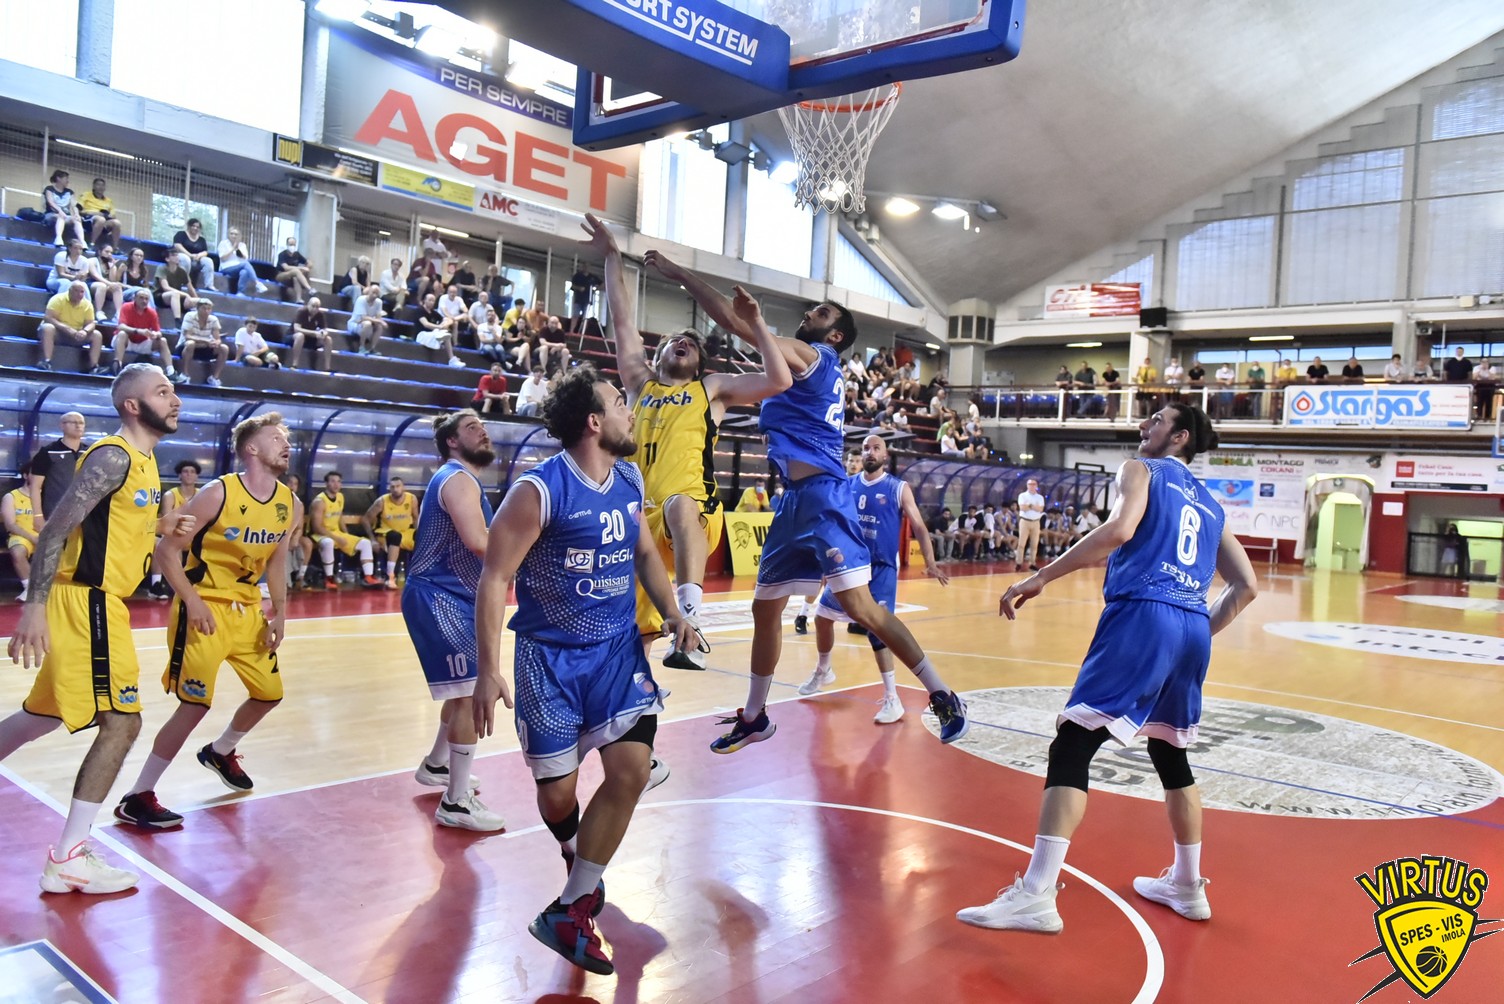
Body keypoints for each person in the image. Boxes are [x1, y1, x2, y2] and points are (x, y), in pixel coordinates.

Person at [640, 252, 970, 751]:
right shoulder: (799, 358)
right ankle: (755, 716)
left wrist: (682, 274)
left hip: (825, 495)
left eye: (821, 312)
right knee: (764, 609)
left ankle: (942, 693)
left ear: (834, 335)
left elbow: (734, 323)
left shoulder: (814, 355)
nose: (810, 313)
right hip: (794, 500)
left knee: (861, 607)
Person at [957, 403, 1258, 934]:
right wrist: (1188, 635)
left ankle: (1036, 894)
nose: (1144, 426)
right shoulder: (1213, 505)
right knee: (1170, 752)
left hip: (1143, 614)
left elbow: (1120, 529)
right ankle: (1187, 885)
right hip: (1191, 627)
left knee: (1073, 743)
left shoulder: (1141, 470)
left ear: (1180, 437)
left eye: (1156, 420)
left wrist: (1041, 576)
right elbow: (1247, 586)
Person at [471, 366, 694, 975]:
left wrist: (673, 612)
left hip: (616, 654)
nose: (630, 410)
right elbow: (494, 577)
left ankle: (570, 907)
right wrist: (488, 670)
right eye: (620, 402)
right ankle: (578, 855)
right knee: (558, 794)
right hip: (549, 660)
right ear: (594, 421)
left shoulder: (629, 478)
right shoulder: (539, 491)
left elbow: (644, 552)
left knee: (632, 769)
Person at [0, 365, 187, 893]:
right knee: (122, 723)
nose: (174, 399)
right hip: (88, 602)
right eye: (162, 392)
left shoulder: (146, 461)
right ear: (133, 405)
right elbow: (56, 528)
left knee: (41, 715)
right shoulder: (113, 456)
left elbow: (114, 526)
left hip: (102, 604)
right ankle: (69, 858)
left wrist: (161, 526)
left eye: (173, 390)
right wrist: (33, 608)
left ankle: (70, 856)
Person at [582, 212, 791, 670]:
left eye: (691, 344)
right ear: (657, 354)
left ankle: (692, 617)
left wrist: (756, 324)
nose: (682, 342)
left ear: (699, 364)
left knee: (679, 503)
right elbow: (622, 318)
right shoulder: (639, 383)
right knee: (636, 633)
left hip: (694, 514)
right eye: (675, 340)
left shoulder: (710, 389)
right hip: (640, 518)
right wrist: (613, 255)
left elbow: (779, 380)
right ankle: (641, 692)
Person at [114, 413, 300, 829]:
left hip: (249, 612)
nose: (286, 445)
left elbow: (277, 560)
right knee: (195, 704)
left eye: (285, 439)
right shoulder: (218, 493)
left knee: (269, 694)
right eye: (276, 438)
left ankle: (221, 750)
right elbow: (166, 551)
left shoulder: (291, 503)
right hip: (205, 609)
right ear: (251, 448)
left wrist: (280, 612)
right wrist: (193, 601)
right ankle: (138, 795)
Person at [400, 411, 505, 829]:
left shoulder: (462, 479)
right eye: (472, 427)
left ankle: (437, 765)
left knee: (459, 687)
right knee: (468, 693)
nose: (483, 430)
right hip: (437, 596)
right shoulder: (457, 478)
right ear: (452, 442)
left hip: (451, 596)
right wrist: (531, 557)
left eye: (483, 425)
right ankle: (456, 802)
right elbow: (479, 542)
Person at [798, 435, 949, 724]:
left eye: (876, 448)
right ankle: (823, 670)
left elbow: (919, 525)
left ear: (885, 456)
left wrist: (930, 561)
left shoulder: (898, 488)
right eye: (866, 448)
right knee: (822, 617)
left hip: (881, 569)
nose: (870, 452)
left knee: (878, 633)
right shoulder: (848, 484)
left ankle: (893, 699)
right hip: (851, 565)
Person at [310, 471, 381, 588]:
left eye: (339, 482)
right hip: (321, 535)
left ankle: (368, 577)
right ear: (326, 483)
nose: (336, 484)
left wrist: (346, 535)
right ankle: (329, 578)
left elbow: (339, 517)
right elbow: (317, 527)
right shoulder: (319, 502)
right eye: (333, 481)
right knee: (328, 542)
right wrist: (337, 538)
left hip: (336, 533)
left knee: (365, 543)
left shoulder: (340, 497)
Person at [28, 413, 89, 527]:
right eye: (73, 422)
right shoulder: (48, 452)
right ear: (62, 425)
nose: (78, 426)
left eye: (81, 423)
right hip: (54, 514)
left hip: (84, 515)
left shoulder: (90, 452)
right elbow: (35, 487)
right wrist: (38, 515)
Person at [37, 280, 107, 374]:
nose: (79, 294)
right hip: (59, 333)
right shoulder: (58, 299)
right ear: (70, 290)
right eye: (76, 291)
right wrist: (67, 329)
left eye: (82, 292)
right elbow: (48, 318)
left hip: (76, 335)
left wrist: (85, 331)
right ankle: (46, 362)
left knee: (97, 335)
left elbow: (91, 323)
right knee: (47, 328)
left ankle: (94, 367)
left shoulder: (87, 304)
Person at [111, 288, 179, 381]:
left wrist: (155, 334)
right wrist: (138, 331)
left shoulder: (152, 312)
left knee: (162, 340)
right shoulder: (126, 307)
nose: (144, 301)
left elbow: (158, 331)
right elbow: (121, 326)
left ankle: (171, 371)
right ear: (134, 298)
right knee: (122, 334)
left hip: (142, 343)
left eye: (146, 299)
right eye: (141, 298)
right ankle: (117, 365)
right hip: (126, 342)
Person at [365, 476, 419, 589]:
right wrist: (372, 540)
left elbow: (415, 518)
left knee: (422, 537)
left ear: (403, 487)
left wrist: (419, 533)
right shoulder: (382, 501)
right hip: (385, 533)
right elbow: (365, 519)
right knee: (395, 536)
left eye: (398, 486)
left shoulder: (411, 499)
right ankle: (390, 576)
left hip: (405, 532)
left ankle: (420, 575)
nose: (395, 489)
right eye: (392, 487)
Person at [3, 465, 37, 601]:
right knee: (18, 552)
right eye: (35, 473)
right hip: (21, 536)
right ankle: (29, 588)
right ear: (25, 475)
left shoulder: (46, 496)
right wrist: (33, 539)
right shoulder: (11, 496)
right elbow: (10, 525)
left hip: (43, 536)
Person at [179, 298, 230, 387]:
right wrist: (205, 340)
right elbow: (187, 336)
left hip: (205, 347)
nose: (206, 311)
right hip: (187, 346)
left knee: (224, 348)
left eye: (209, 309)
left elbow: (217, 339)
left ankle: (215, 377)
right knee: (190, 344)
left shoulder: (214, 319)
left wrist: (216, 343)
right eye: (203, 308)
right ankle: (185, 374)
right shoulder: (190, 316)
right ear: (197, 308)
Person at [41, 169, 86, 247]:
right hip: (51, 214)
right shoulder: (49, 189)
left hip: (66, 216)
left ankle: (82, 241)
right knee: (60, 216)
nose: (68, 181)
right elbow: (50, 202)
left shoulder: (69, 192)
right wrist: (60, 211)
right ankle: (58, 238)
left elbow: (74, 204)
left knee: (77, 220)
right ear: (58, 178)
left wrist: (76, 214)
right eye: (66, 179)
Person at [217, 227, 268, 296]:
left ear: (239, 236)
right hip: (226, 267)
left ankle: (240, 292)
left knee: (244, 272)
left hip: (239, 267)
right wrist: (232, 248)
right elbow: (222, 258)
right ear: (228, 235)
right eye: (231, 234)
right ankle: (257, 283)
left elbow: (245, 258)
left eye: (236, 234)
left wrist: (238, 249)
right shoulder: (223, 243)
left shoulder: (242, 245)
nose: (233, 236)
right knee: (245, 264)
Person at [289, 296, 334, 372]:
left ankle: (327, 368)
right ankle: (294, 364)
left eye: (317, 307)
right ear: (308, 305)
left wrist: (323, 333)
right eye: (313, 306)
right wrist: (314, 333)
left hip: (310, 339)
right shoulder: (301, 311)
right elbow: (297, 329)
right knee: (300, 336)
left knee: (328, 339)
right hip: (293, 336)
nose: (315, 309)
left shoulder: (320, 314)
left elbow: (325, 329)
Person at [77, 177, 122, 249]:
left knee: (117, 223)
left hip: (103, 221)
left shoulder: (108, 201)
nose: (101, 187)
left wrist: (107, 215)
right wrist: (94, 213)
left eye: (102, 185)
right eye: (98, 185)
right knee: (101, 219)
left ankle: (115, 248)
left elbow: (113, 215)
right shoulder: (86, 195)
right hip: (87, 220)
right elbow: (79, 210)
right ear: (94, 186)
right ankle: (92, 244)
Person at [172, 219, 217, 292]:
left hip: (196, 258)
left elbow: (205, 252)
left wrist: (199, 255)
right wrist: (189, 255)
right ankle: (183, 282)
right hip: (182, 256)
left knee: (208, 261)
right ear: (189, 226)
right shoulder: (181, 234)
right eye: (193, 226)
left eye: (197, 227)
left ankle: (209, 285)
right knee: (185, 259)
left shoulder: (202, 239)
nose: (195, 228)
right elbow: (177, 245)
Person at [154, 250, 199, 321]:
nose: (177, 257)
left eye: (177, 255)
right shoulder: (162, 268)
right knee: (175, 294)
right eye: (173, 255)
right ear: (167, 259)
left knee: (203, 302)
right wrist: (185, 294)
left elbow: (190, 288)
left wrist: (199, 302)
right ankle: (177, 320)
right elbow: (166, 288)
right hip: (161, 296)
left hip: (177, 297)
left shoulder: (182, 270)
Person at [347, 284, 388, 355]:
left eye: (377, 294)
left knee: (379, 327)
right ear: (369, 292)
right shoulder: (361, 300)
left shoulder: (379, 302)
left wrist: (379, 321)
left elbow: (378, 317)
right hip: (355, 323)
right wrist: (380, 321)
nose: (375, 295)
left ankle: (372, 348)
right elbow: (363, 317)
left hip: (369, 324)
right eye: (373, 293)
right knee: (367, 324)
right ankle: (361, 347)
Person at [1016, 477, 1045, 570]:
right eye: (1030, 484)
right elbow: (1022, 508)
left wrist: (1029, 505)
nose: (1032, 486)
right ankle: (1019, 562)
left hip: (1036, 522)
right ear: (1027, 485)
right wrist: (1034, 506)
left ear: (1036, 486)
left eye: (1033, 484)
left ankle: (1032, 562)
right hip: (1025, 521)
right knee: (1021, 543)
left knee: (1034, 544)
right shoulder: (1022, 495)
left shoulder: (1040, 497)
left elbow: (1040, 509)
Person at [567, 266, 599, 332]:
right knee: (575, 315)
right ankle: (571, 331)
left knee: (585, 317)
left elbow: (602, 283)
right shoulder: (577, 276)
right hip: (578, 300)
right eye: (585, 266)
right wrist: (579, 288)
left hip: (587, 301)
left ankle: (583, 332)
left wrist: (596, 289)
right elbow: (572, 286)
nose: (586, 268)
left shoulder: (592, 277)